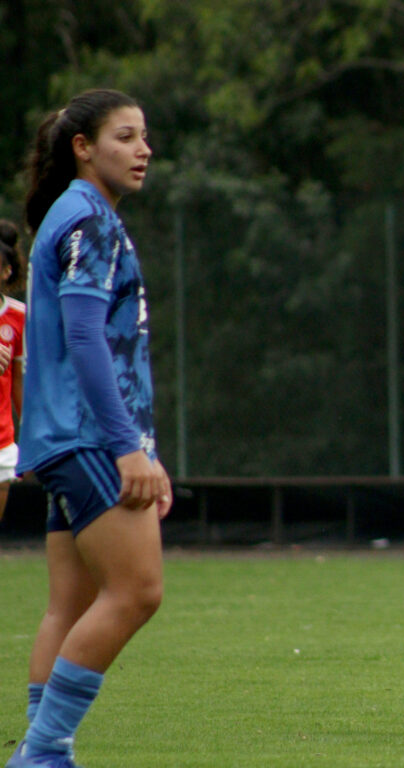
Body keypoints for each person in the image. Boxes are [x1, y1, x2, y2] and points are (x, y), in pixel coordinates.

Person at [7, 88, 171, 768]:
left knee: (67, 606)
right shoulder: (89, 218)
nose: (144, 151)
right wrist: (128, 447)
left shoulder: (72, 215)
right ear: (83, 146)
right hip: (89, 438)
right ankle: (41, 756)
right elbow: (83, 336)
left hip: (62, 436)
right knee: (137, 591)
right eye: (126, 137)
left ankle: (44, 752)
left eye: (144, 138)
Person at [0, 220, 26, 522]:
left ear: (7, 271)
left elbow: (19, 383)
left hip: (3, 442)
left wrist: (34, 437)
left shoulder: (19, 316)